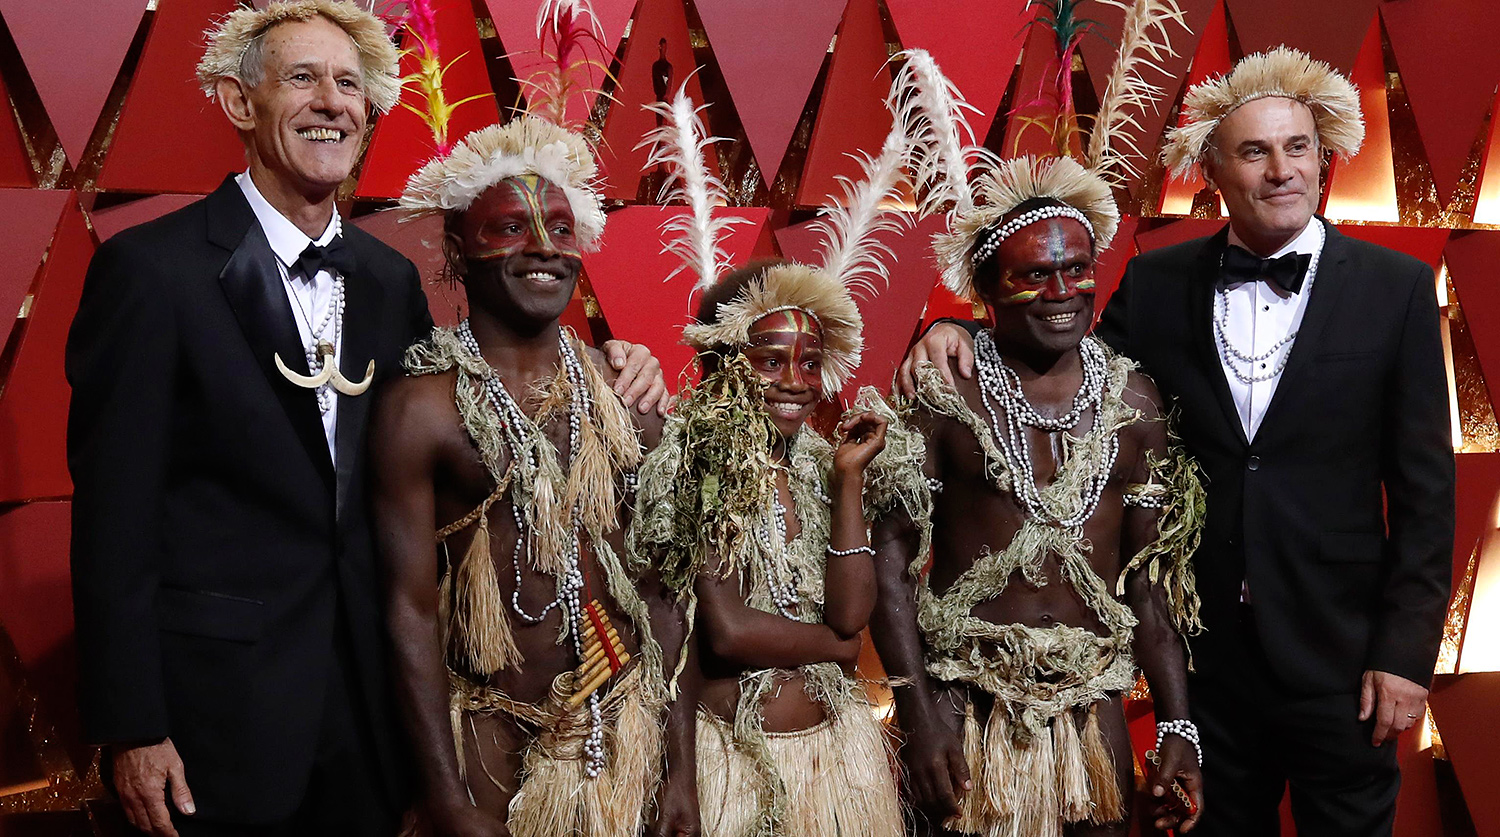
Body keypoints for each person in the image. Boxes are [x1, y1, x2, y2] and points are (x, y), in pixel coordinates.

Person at [65, 3, 665, 835]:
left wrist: (613, 361)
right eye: (302, 78)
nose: (332, 103)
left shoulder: (388, 282)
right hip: (217, 720)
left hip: (373, 724)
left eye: (349, 85)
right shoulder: (151, 272)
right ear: (240, 102)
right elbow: (112, 518)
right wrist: (133, 724)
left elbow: (479, 405)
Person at [903, 47, 1455, 836]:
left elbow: (1427, 493)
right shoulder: (1158, 282)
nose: (1282, 170)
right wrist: (953, 328)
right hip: (1205, 659)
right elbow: (1063, 358)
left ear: (1322, 157)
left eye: (1297, 147)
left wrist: (1405, 653)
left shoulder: (1394, 288)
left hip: (1343, 657)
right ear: (1213, 171)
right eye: (1255, 152)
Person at [371, 115, 695, 837]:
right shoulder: (422, 410)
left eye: (560, 227)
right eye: (511, 228)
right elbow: (407, 612)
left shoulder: (627, 398)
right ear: (459, 248)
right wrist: (445, 796)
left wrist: (681, 770)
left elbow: (665, 592)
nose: (544, 246)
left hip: (621, 739)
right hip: (490, 744)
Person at [870, 151, 1206, 837]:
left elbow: (1150, 586)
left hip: (1093, 714)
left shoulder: (1135, 403)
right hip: (968, 705)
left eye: (1077, 268)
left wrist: (1178, 724)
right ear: (986, 288)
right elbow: (890, 562)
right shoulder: (945, 394)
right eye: (1035, 275)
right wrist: (919, 715)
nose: (1062, 290)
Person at [627, 86, 905, 836]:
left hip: (835, 759)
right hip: (735, 765)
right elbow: (726, 630)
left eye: (810, 362)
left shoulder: (819, 460)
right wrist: (838, 648)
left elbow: (852, 611)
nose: (793, 381)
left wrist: (848, 479)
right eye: (770, 359)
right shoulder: (693, 456)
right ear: (726, 361)